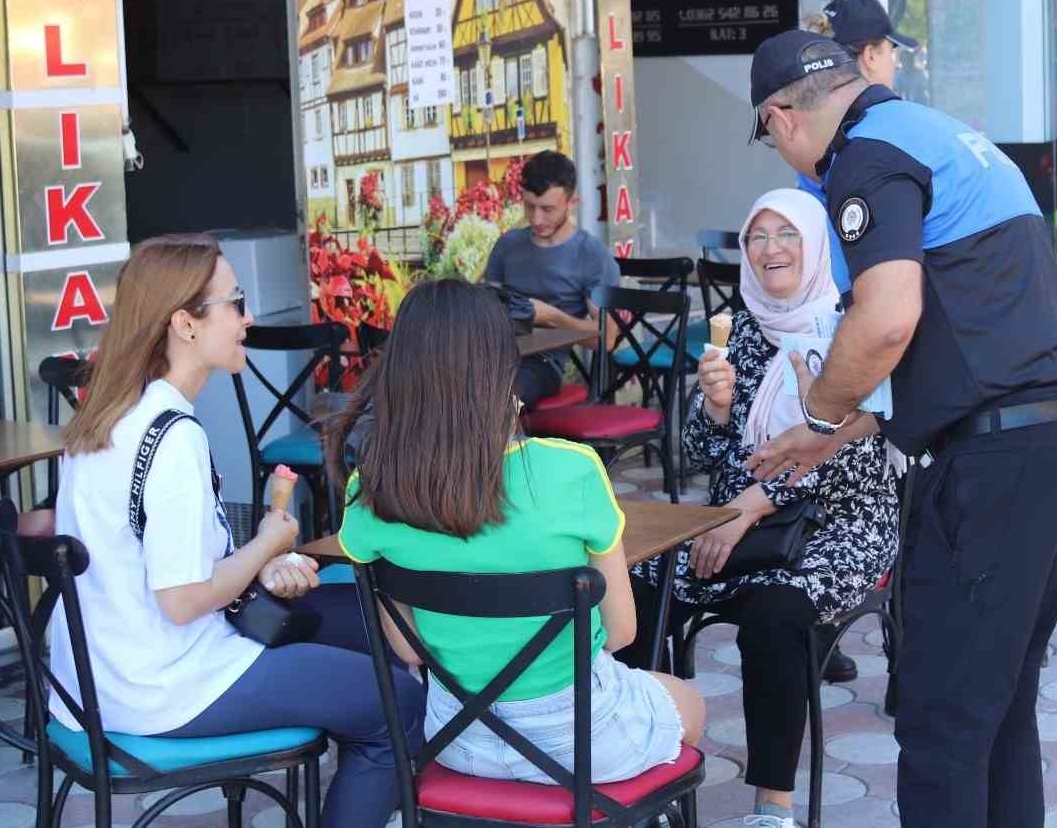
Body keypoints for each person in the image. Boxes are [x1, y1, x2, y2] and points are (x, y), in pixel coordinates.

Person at [741, 31, 1057, 828]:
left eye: (769, 138)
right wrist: (828, 434)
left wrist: (816, 413)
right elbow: (953, 335)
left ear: (781, 118)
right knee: (1000, 711)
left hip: (994, 466)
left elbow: (887, 321)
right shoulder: (941, 134)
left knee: (940, 726)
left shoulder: (865, 159)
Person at [51, 233, 423, 828]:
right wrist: (268, 544)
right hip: (164, 687)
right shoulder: (169, 438)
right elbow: (181, 600)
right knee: (398, 702)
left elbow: (146, 558)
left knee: (374, 618)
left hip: (100, 681)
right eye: (235, 302)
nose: (248, 318)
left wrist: (259, 562)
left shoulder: (102, 419)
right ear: (185, 324)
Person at [326, 278, 705, 785]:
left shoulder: (370, 488)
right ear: (503, 368)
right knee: (692, 703)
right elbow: (621, 633)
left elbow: (410, 652)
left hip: (456, 741)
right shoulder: (571, 469)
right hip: (584, 744)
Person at [617, 188, 900, 828]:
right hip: (734, 528)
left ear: (817, 243)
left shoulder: (855, 328)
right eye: (757, 237)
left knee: (775, 616)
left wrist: (748, 506)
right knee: (628, 593)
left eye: (786, 234)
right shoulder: (742, 328)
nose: (770, 249)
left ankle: (772, 806)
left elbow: (856, 454)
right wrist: (714, 409)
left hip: (839, 526)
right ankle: (634, 770)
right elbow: (695, 454)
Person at [483, 150, 621, 406]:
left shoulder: (590, 255)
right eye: (529, 207)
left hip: (541, 365)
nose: (536, 219)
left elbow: (606, 339)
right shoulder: (508, 245)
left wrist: (553, 317)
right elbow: (480, 307)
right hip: (491, 353)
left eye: (547, 209)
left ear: (571, 202)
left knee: (495, 393)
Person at [806, 0, 916, 92]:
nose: (895, 65)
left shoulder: (805, 107)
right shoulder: (890, 113)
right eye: (891, 52)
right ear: (870, 56)